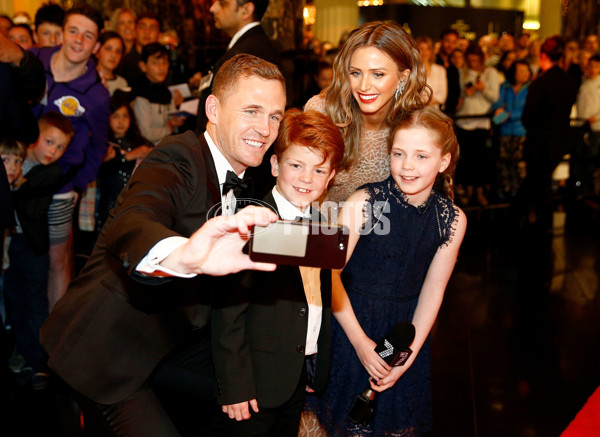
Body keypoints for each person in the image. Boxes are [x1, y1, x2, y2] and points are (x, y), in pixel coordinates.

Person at [39, 53, 286, 436]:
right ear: (214, 109)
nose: (265, 128)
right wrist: (184, 255)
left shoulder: (248, 183)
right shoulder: (176, 156)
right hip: (103, 353)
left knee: (261, 397)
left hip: (168, 347)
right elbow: (135, 221)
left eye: (275, 116)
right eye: (252, 111)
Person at [305, 105, 466, 436]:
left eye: (421, 156)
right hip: (350, 325)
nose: (407, 165)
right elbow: (328, 274)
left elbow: (433, 292)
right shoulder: (363, 203)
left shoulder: (452, 219)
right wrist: (361, 342)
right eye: (399, 153)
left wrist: (406, 357)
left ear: (444, 161)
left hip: (404, 335)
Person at [211, 109, 344, 436]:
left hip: (296, 376)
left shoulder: (322, 226)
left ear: (331, 177)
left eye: (318, 170)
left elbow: (315, 297)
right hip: (255, 383)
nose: (306, 179)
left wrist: (314, 366)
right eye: (296, 165)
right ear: (274, 165)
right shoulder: (252, 225)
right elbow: (228, 310)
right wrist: (235, 384)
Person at [30, 5, 110, 311]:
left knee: (58, 257)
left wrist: (77, 185)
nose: (78, 40)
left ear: (96, 46)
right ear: (62, 32)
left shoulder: (98, 95)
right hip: (15, 174)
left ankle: (56, 338)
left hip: (60, 184)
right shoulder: (34, 62)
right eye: (73, 31)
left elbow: (98, 146)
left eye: (88, 36)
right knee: (15, 255)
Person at [305, 21, 430, 207]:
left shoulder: (416, 125)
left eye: (377, 74)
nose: (363, 86)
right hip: (323, 228)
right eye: (355, 73)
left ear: (402, 78)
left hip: (385, 230)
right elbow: (297, 187)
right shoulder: (323, 112)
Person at [3, 112, 73, 389]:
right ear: (35, 137)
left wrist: (17, 185)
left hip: (32, 246)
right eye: (49, 142)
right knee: (13, 301)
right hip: (11, 244)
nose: (53, 151)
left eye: (60, 147)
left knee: (34, 302)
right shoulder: (13, 157)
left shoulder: (49, 173)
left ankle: (40, 361)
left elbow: (29, 199)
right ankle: (21, 351)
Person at [193, 0, 280, 200]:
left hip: (239, 180)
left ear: (246, 10)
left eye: (222, 3)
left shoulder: (247, 54)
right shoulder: (249, 45)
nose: (212, 8)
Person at [518, 35, 579, 230]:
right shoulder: (569, 80)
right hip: (559, 141)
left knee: (538, 183)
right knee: (536, 182)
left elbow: (528, 117)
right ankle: (520, 218)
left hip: (540, 142)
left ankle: (540, 223)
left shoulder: (541, 83)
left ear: (544, 55)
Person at [95, 91, 152, 234]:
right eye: (115, 117)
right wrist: (129, 156)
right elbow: (102, 170)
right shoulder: (103, 144)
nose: (121, 122)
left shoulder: (138, 142)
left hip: (135, 201)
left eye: (125, 116)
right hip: (110, 201)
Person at [455, 43, 501, 206]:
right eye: (470, 61)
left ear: (482, 59)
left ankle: (480, 191)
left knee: (480, 159)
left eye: (476, 61)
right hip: (464, 120)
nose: (473, 64)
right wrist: (466, 93)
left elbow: (494, 97)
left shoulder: (490, 73)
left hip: (481, 121)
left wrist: (483, 89)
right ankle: (467, 190)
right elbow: (459, 94)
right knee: (465, 158)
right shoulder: (463, 72)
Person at [492, 60, 532, 199]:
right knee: (503, 163)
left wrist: (508, 114)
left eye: (526, 71)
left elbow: (527, 110)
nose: (523, 74)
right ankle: (504, 193)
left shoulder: (531, 88)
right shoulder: (505, 87)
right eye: (520, 71)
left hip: (521, 131)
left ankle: (520, 194)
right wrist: (500, 111)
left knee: (519, 164)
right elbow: (497, 104)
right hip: (504, 130)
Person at [131, 42, 186, 144]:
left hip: (167, 146)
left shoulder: (166, 92)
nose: (161, 67)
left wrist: (175, 121)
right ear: (143, 66)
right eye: (155, 63)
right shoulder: (140, 93)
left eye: (164, 63)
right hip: (148, 150)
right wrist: (169, 129)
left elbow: (171, 120)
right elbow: (146, 133)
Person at [575, 54, 600, 195]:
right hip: (581, 124)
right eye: (591, 65)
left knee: (592, 157)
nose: (593, 69)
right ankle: (581, 187)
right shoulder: (584, 82)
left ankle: (591, 188)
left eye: (596, 66)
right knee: (581, 157)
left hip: (596, 127)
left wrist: (595, 117)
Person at [120, 12, 161, 85]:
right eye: (142, 27)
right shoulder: (124, 63)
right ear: (135, 31)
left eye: (152, 28)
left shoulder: (164, 61)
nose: (147, 32)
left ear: (159, 33)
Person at [416, 35, 447, 109]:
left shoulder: (440, 70)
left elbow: (442, 97)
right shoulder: (412, 70)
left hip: (434, 113)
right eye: (421, 49)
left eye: (428, 49)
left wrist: (424, 101)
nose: (424, 52)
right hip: (415, 113)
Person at [95, 30, 129, 95]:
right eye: (108, 49)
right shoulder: (86, 78)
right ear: (97, 51)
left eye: (118, 51)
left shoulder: (122, 83)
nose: (113, 55)